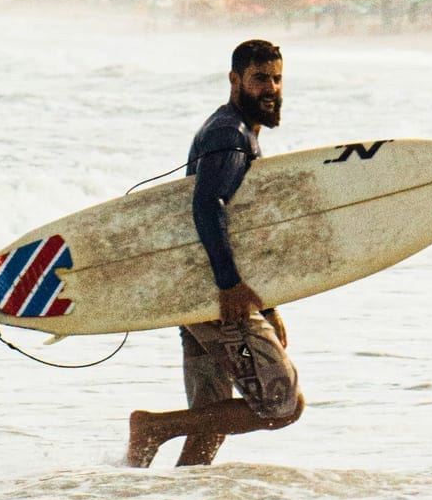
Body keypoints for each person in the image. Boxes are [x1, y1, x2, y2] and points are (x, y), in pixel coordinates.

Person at [125, 38, 305, 468]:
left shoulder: (234, 131)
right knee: (281, 405)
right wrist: (229, 287)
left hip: (199, 298)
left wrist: (271, 305)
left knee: (213, 418)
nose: (271, 88)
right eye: (260, 78)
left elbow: (243, 229)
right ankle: (153, 428)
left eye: (277, 79)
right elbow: (207, 205)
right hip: (217, 303)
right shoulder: (229, 134)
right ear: (234, 80)